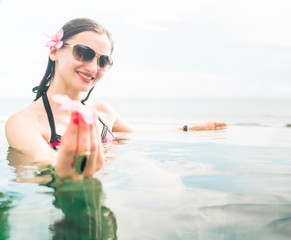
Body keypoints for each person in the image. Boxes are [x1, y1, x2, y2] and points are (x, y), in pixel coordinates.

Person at [5, 18, 227, 181]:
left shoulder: (103, 112)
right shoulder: (24, 123)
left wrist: (191, 129)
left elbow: (139, 136)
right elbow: (48, 162)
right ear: (54, 51)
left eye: (103, 61)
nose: (93, 67)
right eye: (83, 52)